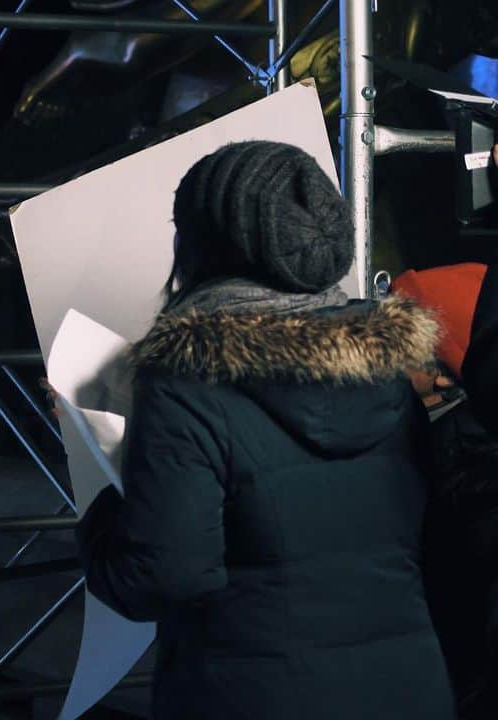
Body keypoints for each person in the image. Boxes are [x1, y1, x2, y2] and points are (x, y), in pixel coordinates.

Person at [76, 141, 456, 720]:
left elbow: (164, 575)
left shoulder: (186, 378)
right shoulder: (387, 371)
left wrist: (98, 521)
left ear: (203, 245)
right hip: (410, 690)